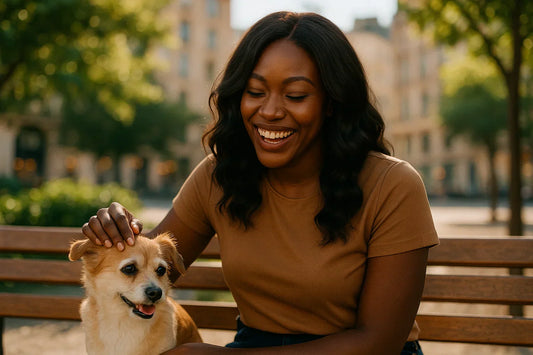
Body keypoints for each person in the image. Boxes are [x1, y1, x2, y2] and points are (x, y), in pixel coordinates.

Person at [82, 11, 439, 354]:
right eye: (254, 92)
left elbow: (379, 344)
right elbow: (156, 269)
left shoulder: (392, 184)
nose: (269, 111)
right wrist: (120, 237)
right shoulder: (219, 175)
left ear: (333, 102)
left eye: (296, 96)